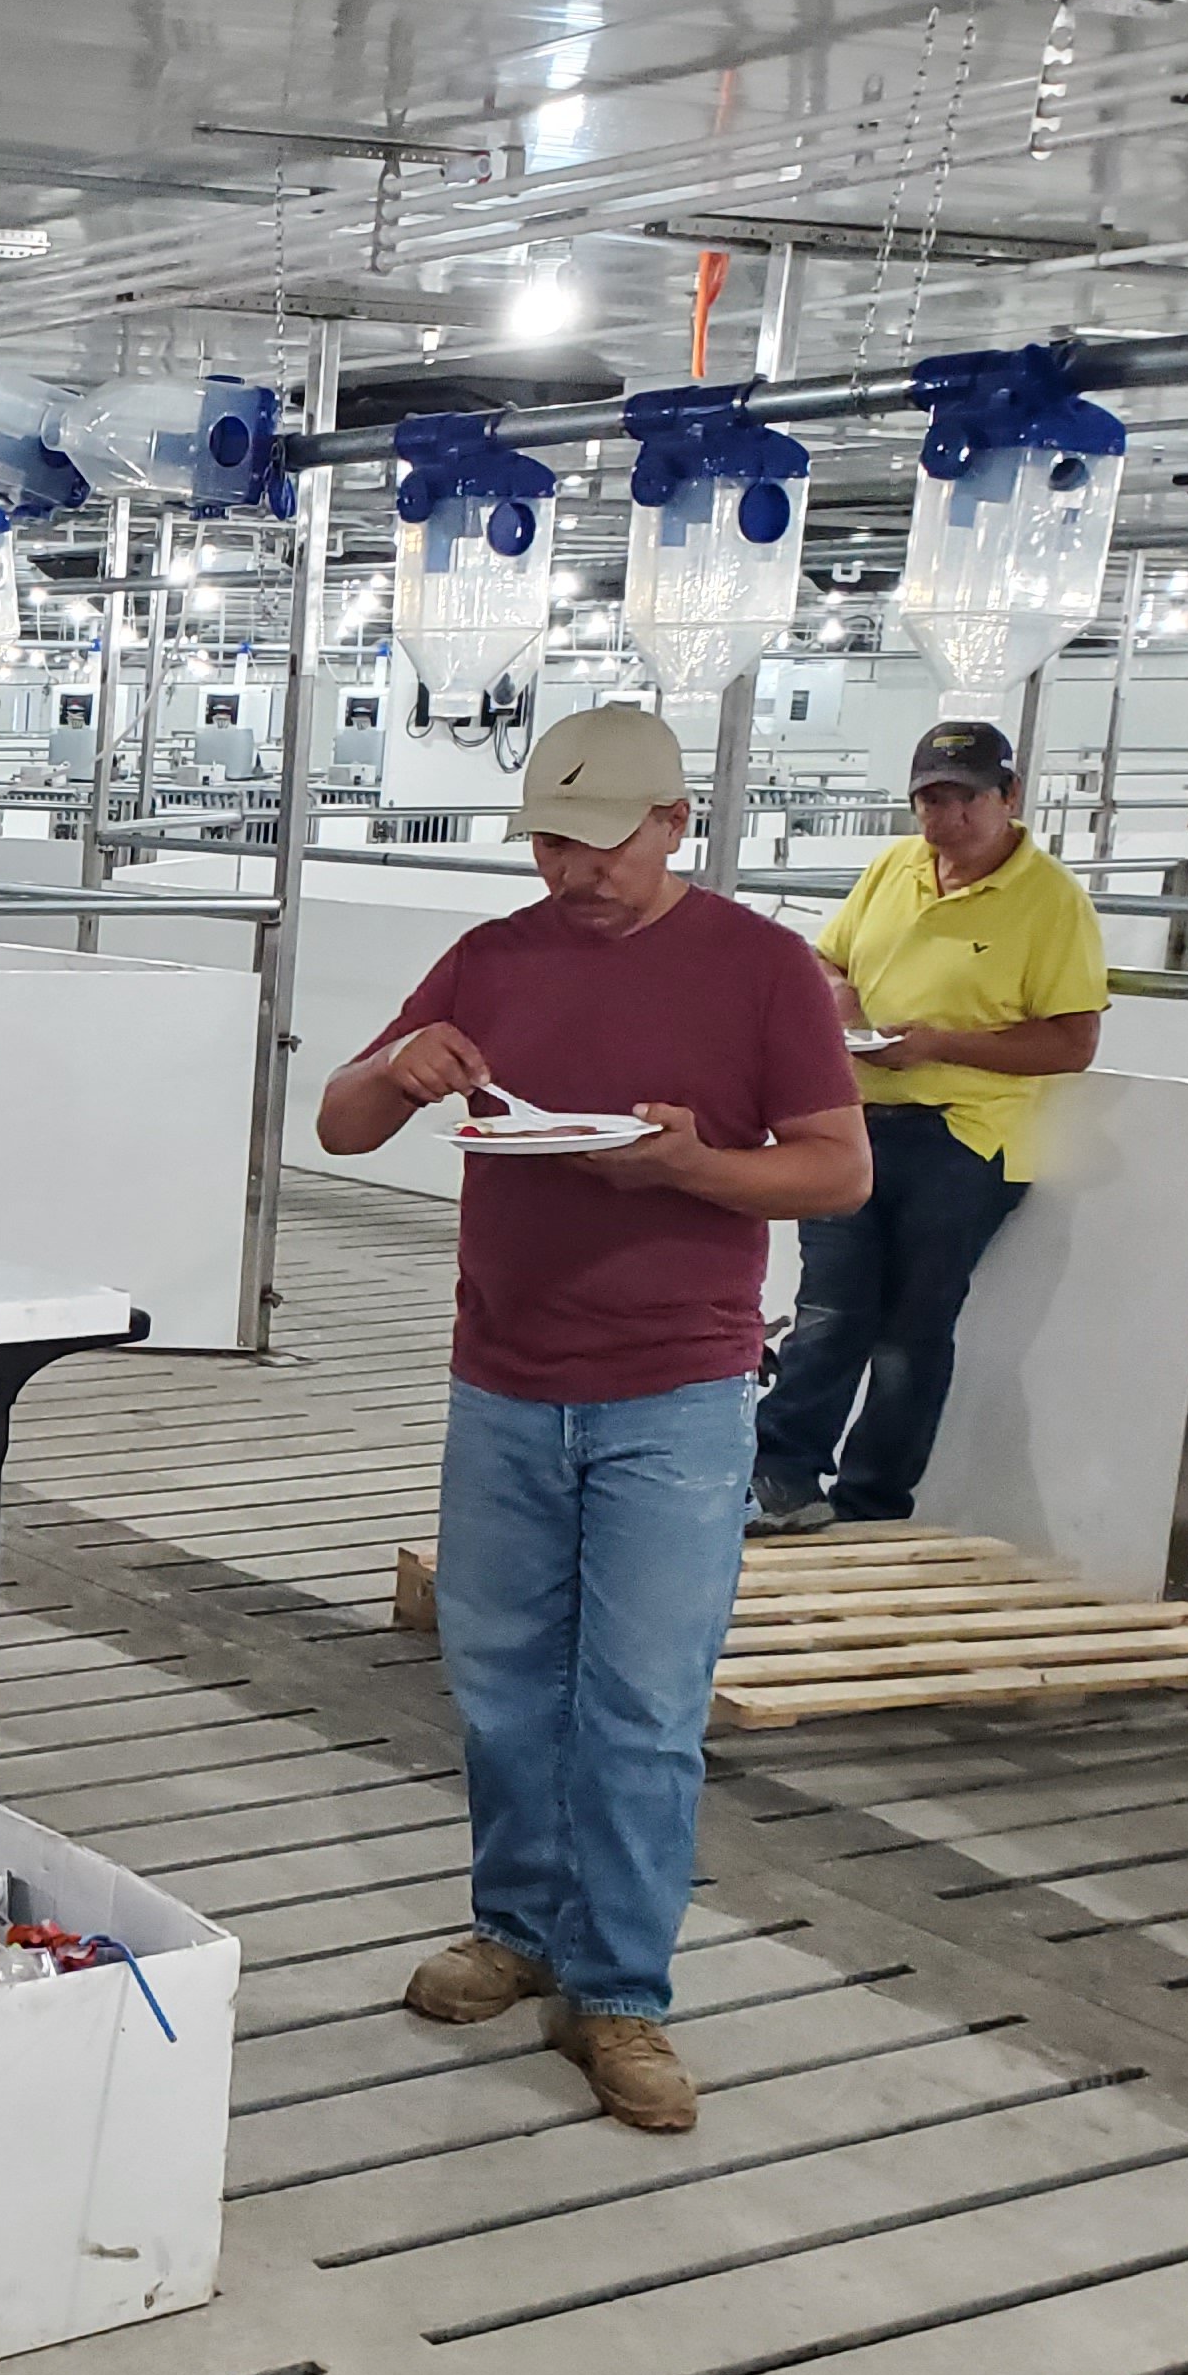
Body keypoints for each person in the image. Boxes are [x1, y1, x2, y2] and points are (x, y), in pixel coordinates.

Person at [315, 706, 868, 2134]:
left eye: (599, 842)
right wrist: (399, 1065)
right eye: (550, 841)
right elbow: (340, 1125)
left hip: (676, 1391)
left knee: (640, 1706)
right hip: (503, 1381)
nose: (570, 870)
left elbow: (835, 1173)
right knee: (503, 1684)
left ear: (673, 823)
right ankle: (519, 1927)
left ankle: (621, 1991)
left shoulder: (766, 971)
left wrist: (693, 1167)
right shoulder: (493, 958)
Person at [751, 720, 1110, 1531]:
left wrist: (941, 1045)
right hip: (858, 1117)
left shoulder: (1051, 900)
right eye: (928, 800)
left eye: (962, 800)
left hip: (965, 1134)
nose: (943, 820)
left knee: (914, 1326)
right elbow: (827, 955)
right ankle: (781, 1478)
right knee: (829, 1310)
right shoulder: (894, 867)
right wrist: (837, 997)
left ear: (1009, 798)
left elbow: (1072, 1040)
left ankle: (874, 1501)